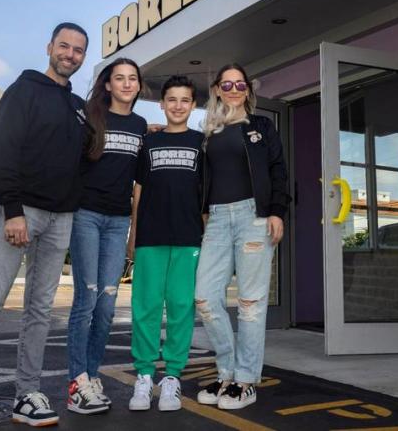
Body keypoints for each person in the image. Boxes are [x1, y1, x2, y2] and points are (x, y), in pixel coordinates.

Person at [0, 22, 89, 431]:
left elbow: (82, 157)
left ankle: (26, 394)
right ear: (49, 47)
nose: (70, 54)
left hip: (61, 216)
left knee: (40, 310)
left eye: (78, 50)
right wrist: (12, 209)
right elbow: (3, 150)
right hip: (22, 210)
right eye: (63, 46)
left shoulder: (78, 106)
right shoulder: (23, 90)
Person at [194, 64, 288, 411]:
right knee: (204, 297)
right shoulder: (209, 133)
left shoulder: (261, 127)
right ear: (217, 89)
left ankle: (245, 379)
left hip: (253, 217)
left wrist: (277, 210)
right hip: (217, 220)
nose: (233, 89)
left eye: (240, 84)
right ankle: (226, 370)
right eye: (226, 84)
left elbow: (278, 169)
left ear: (248, 90)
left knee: (250, 304)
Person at [66, 58, 147, 414]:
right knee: (86, 300)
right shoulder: (90, 116)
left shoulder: (141, 125)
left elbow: (140, 180)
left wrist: (134, 227)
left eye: (132, 79)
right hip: (85, 215)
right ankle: (76, 382)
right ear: (109, 84)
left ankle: (92, 376)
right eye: (120, 78)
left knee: (108, 304)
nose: (127, 83)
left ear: (139, 86)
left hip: (117, 221)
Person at [127, 75, 204, 413]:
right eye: (171, 99)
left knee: (180, 307)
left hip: (188, 237)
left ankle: (172, 377)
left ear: (193, 105)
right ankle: (144, 376)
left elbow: (206, 195)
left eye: (184, 100)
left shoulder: (203, 144)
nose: (177, 106)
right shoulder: (149, 143)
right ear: (161, 103)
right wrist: (133, 232)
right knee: (145, 307)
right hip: (151, 236)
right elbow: (139, 191)